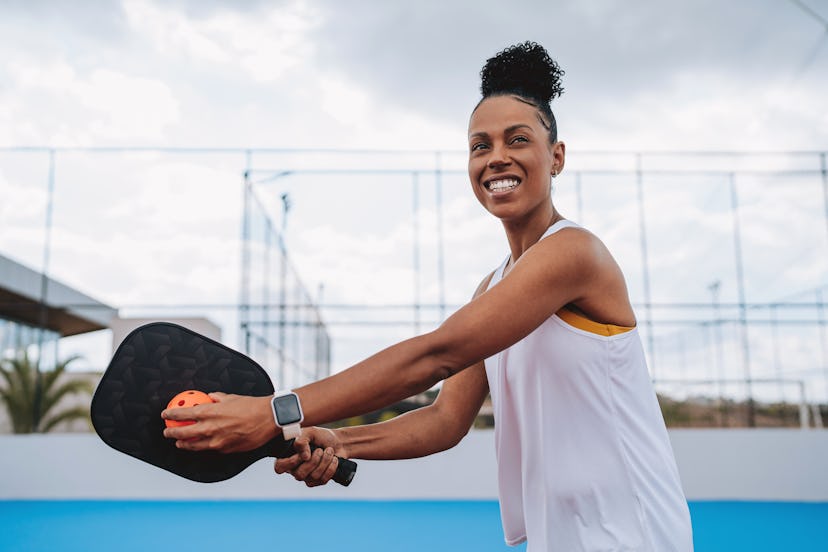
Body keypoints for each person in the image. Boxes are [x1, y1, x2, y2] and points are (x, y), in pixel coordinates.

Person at [162, 41, 694, 551]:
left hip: (634, 532)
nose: (496, 158)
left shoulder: (574, 253)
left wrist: (273, 413)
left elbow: (437, 354)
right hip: (561, 536)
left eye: (518, 140)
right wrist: (339, 441)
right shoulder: (494, 287)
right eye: (480, 146)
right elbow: (444, 420)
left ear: (556, 157)